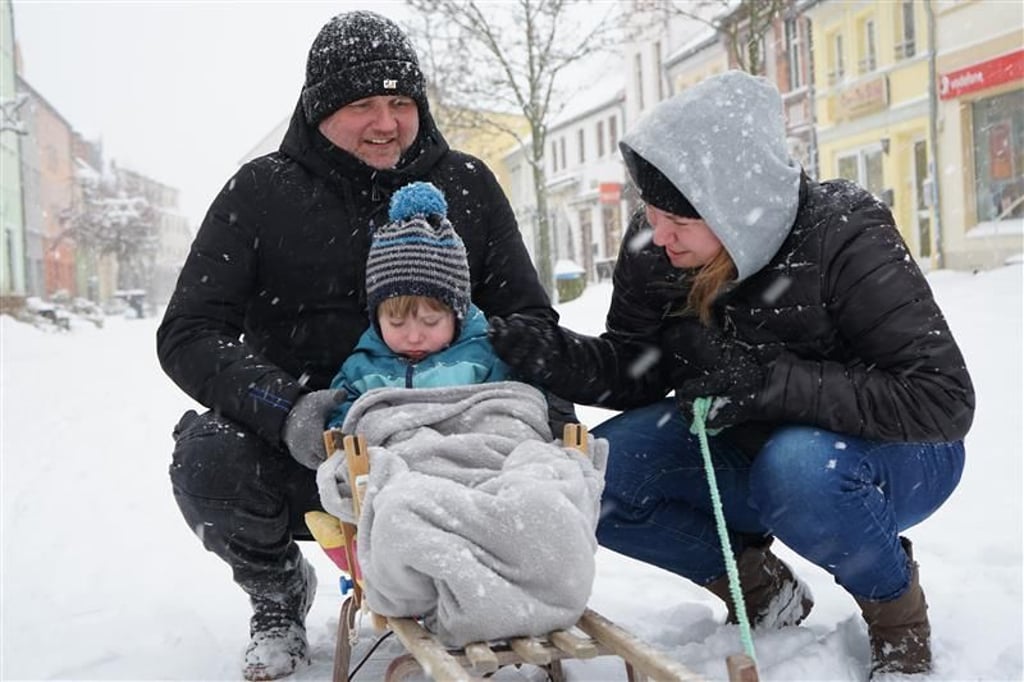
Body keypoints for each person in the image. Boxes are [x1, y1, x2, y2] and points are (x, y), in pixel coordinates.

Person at [488, 70, 974, 678]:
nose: (658, 232)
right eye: (651, 209)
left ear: (734, 206)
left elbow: (942, 400)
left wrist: (769, 384)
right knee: (595, 475)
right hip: (752, 444)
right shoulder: (656, 245)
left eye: (678, 218)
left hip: (898, 453)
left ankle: (898, 623)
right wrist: (554, 356)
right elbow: (639, 370)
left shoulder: (844, 234)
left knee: (798, 469)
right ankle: (763, 588)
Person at [156, 11, 565, 681]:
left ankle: (491, 592)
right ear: (320, 110)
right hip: (319, 453)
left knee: (555, 461)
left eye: (401, 103)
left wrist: (542, 406)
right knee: (209, 459)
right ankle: (278, 595)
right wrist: (287, 409)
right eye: (362, 105)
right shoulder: (259, 193)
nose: (386, 123)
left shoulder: (466, 184)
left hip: (455, 443)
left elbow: (527, 316)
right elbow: (189, 331)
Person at [326, 181, 510, 430]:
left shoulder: (484, 360)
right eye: (396, 323)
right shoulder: (361, 371)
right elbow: (342, 423)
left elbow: (512, 409)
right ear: (376, 320)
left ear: (458, 315)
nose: (414, 337)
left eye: (430, 321)